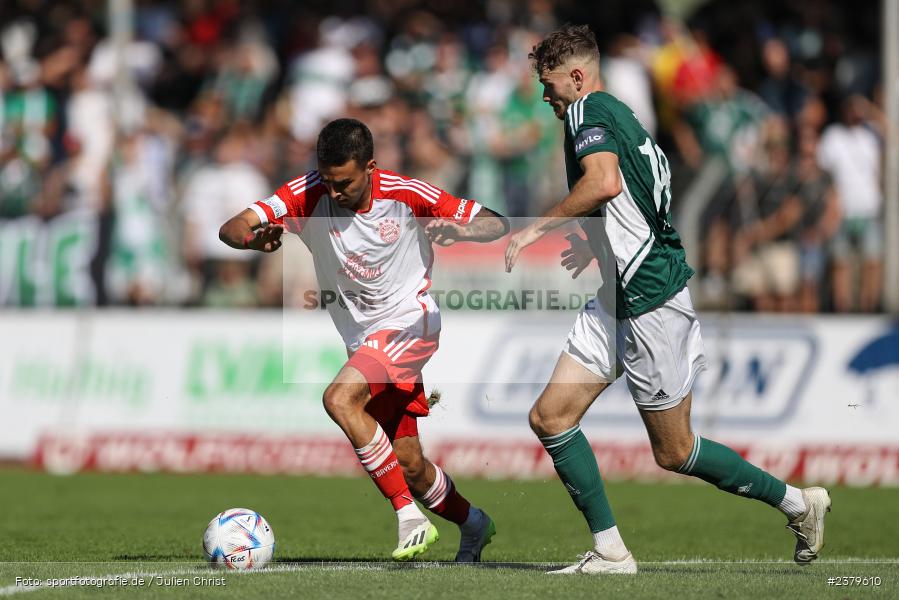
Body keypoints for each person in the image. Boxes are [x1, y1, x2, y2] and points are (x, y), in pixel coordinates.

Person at [504, 25, 830, 575]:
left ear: (577, 77)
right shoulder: (624, 115)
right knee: (550, 416)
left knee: (674, 451)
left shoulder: (587, 112)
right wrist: (600, 248)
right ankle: (611, 552)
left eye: (549, 84)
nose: (545, 96)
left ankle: (798, 502)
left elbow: (604, 183)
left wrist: (535, 229)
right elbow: (641, 194)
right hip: (619, 292)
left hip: (649, 297)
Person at [219, 118, 508, 561]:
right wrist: (250, 240)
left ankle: (408, 517)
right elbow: (232, 226)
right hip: (365, 343)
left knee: (339, 400)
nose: (334, 192)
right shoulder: (307, 192)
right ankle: (474, 523)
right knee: (409, 466)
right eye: (329, 181)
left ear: (370, 166)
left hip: (412, 323)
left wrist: (464, 230)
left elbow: (497, 223)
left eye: (346, 183)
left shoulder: (406, 193)